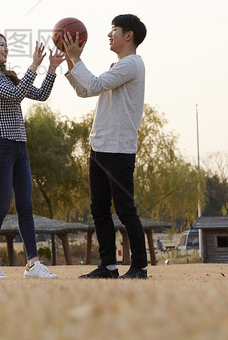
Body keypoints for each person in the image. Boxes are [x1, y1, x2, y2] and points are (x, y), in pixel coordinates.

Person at [0, 32, 64, 279]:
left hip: (20, 147)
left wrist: (51, 69)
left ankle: (33, 263)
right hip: (0, 146)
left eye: (7, 45)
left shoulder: (9, 77)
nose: (6, 49)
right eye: (1, 45)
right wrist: (34, 65)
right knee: (0, 207)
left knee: (25, 207)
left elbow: (40, 94)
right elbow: (15, 95)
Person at [62, 14, 149, 280]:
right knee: (99, 210)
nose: (109, 36)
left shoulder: (132, 64)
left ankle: (139, 267)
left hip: (119, 149)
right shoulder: (118, 66)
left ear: (129, 35)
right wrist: (69, 58)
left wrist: (77, 58)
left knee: (125, 210)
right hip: (100, 146)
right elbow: (85, 90)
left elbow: (96, 83)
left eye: (113, 31)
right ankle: (108, 266)